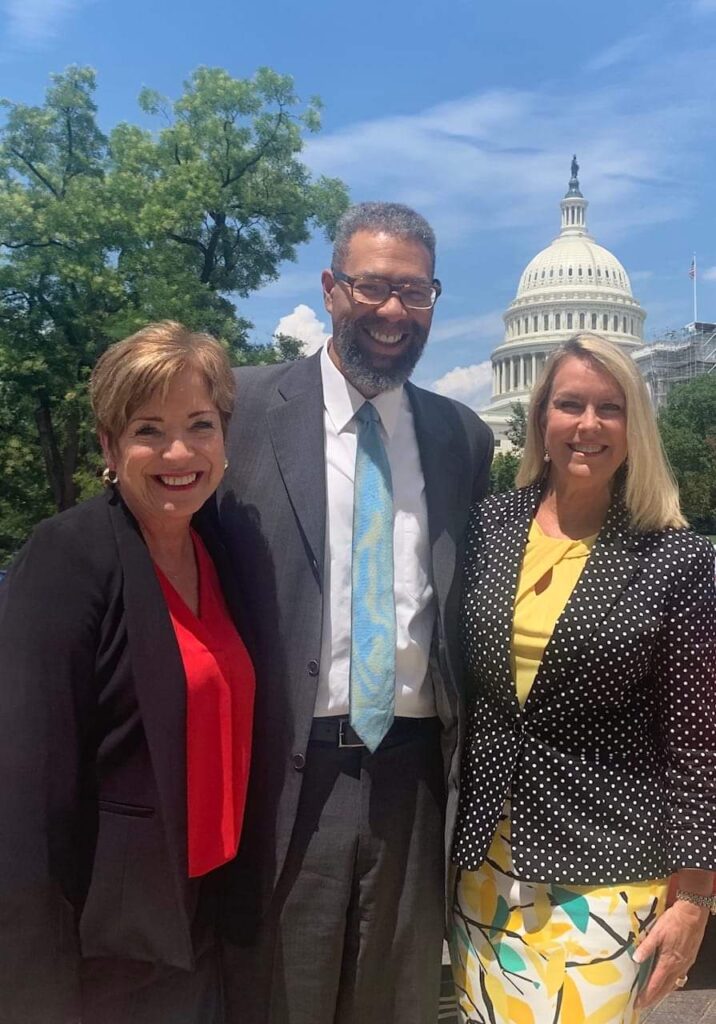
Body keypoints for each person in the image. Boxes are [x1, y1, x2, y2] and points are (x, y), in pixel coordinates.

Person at [217, 201, 494, 1024]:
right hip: (285, 773)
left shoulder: (462, 438)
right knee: (279, 999)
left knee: (397, 1002)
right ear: (332, 289)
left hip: (414, 775)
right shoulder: (240, 409)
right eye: (373, 287)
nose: (392, 312)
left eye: (414, 292)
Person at [450, 332, 716, 1024]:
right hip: (486, 861)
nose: (589, 425)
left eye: (611, 407)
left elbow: (697, 742)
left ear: (636, 425)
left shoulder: (676, 559)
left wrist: (695, 898)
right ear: (541, 417)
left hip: (606, 865)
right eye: (570, 404)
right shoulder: (488, 527)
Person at [0, 322, 255, 1024]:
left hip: (212, 920)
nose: (179, 452)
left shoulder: (220, 549)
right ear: (110, 448)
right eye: (149, 430)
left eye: (200, 425)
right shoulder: (67, 558)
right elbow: (25, 802)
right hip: (113, 950)